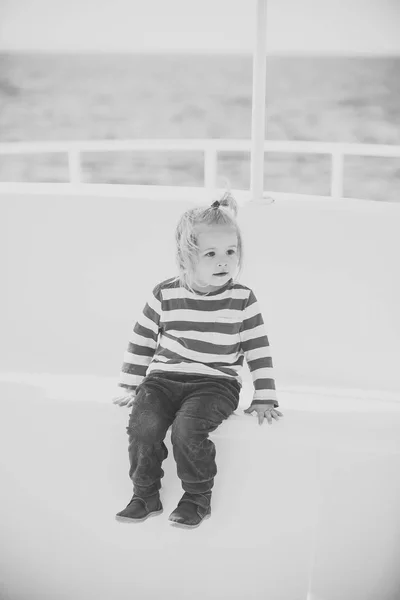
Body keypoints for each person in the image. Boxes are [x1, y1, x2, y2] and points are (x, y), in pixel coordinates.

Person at [113, 191, 283, 529]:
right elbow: (142, 339)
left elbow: (257, 348)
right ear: (185, 257)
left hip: (215, 384)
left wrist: (264, 395)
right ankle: (145, 494)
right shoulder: (165, 293)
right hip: (163, 379)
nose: (224, 261)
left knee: (188, 430)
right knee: (142, 427)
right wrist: (131, 385)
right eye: (211, 254)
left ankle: (196, 498)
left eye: (231, 252)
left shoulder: (242, 299)